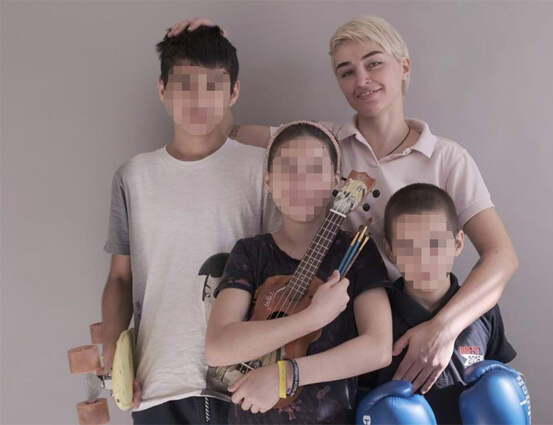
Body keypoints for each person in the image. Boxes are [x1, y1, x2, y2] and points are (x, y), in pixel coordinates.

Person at [168, 14, 519, 394]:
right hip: (343, 331)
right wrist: (211, 51)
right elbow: (222, 130)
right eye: (346, 71)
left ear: (404, 67)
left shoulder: (448, 158)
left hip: (428, 318)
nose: (362, 80)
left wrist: (442, 329)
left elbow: (501, 257)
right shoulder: (324, 144)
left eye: (374, 63)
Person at [101, 25, 278, 424]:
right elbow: (119, 278)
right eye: (184, 85)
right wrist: (113, 351)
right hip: (156, 382)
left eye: (214, 86)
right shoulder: (133, 176)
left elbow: (284, 266)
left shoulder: (262, 170)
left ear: (234, 92)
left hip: (246, 381)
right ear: (162, 89)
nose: (199, 99)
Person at [205, 121, 393, 424]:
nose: (301, 182)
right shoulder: (251, 252)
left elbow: (378, 348)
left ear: (335, 180)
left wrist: (287, 374)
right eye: (288, 169)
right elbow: (218, 348)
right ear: (268, 180)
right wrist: (311, 318)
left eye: (315, 170)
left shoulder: (356, 251)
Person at [357, 183, 517, 424]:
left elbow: (504, 385)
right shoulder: (378, 316)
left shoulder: (482, 310)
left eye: (435, 244)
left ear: (457, 243)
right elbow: (360, 399)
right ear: (390, 251)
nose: (423, 259)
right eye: (408, 246)